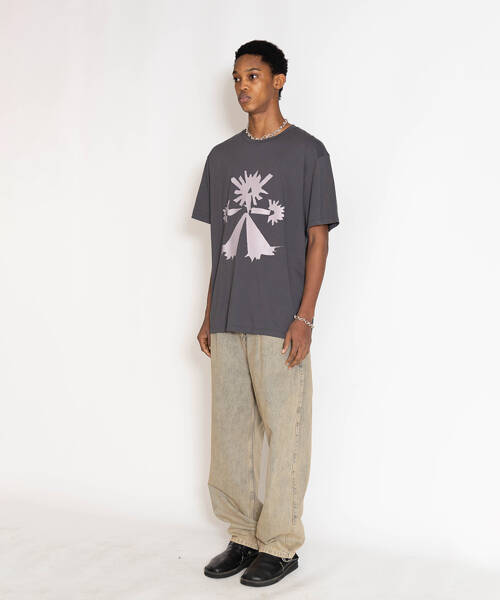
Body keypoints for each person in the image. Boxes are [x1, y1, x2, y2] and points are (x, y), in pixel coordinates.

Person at [191, 39, 339, 587]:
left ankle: (279, 544)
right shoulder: (221, 158)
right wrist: (209, 313)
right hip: (230, 317)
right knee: (230, 434)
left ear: (278, 80)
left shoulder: (308, 153)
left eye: (252, 76)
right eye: (236, 78)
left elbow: (318, 240)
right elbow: (222, 247)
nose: (242, 86)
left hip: (280, 319)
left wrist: (305, 317)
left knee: (286, 433)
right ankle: (243, 535)